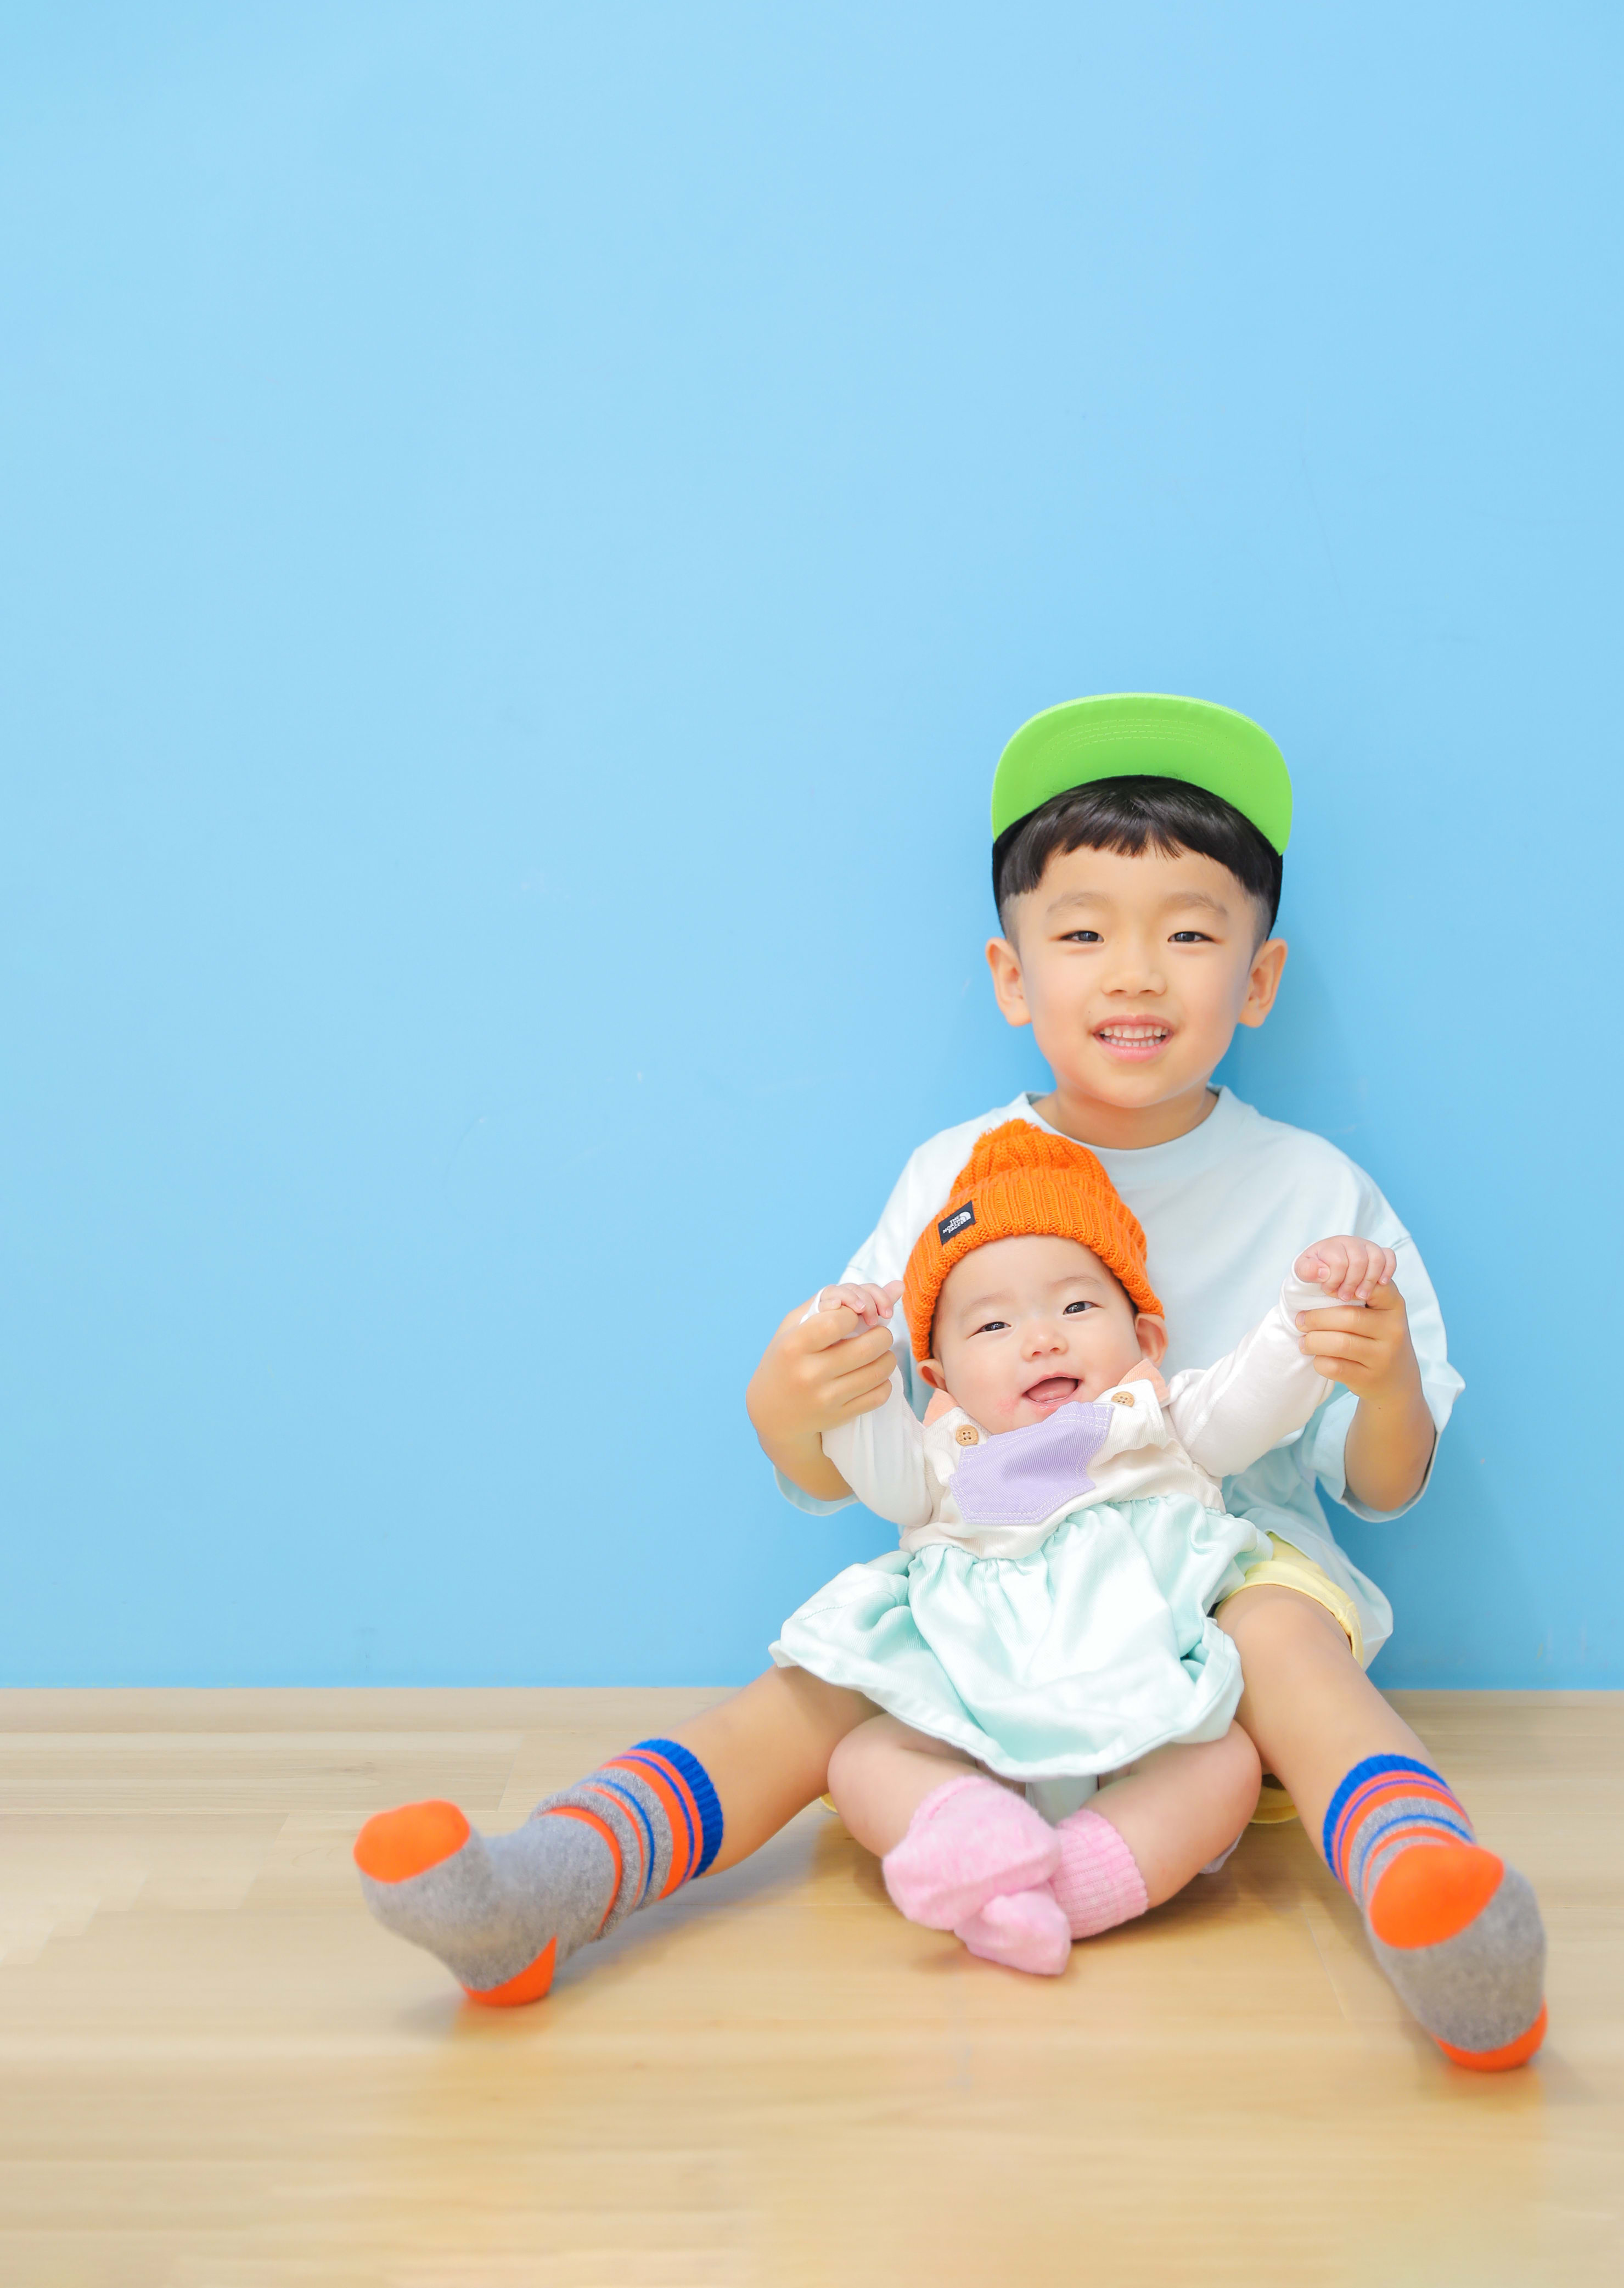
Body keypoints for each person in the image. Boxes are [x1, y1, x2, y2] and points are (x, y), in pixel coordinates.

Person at [353, 693, 1547, 2070]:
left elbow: (1385, 1487)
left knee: (1285, 1635)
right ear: (1011, 974)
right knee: (820, 1692)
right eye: (1083, 933)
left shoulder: (1312, 1191)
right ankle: (549, 1884)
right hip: (996, 1564)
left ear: (1259, 978)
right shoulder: (951, 1177)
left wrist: (1381, 1378)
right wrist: (788, 1402)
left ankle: (1432, 1901)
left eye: (1189, 932)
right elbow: (851, 1458)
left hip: (1221, 1569)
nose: (1135, 974)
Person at [776, 1117, 1400, 1981]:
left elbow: (1259, 1388)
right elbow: (872, 1462)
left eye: (1076, 1307)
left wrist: (1308, 1306)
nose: (1041, 1337)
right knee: (860, 1760)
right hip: (978, 1720)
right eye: (992, 1326)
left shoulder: (1159, 1425)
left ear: (1146, 1340)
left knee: (1225, 1764)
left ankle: (1066, 1887)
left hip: (1147, 1717)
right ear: (940, 1380)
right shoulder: (943, 1463)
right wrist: (850, 1357)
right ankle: (975, 1835)